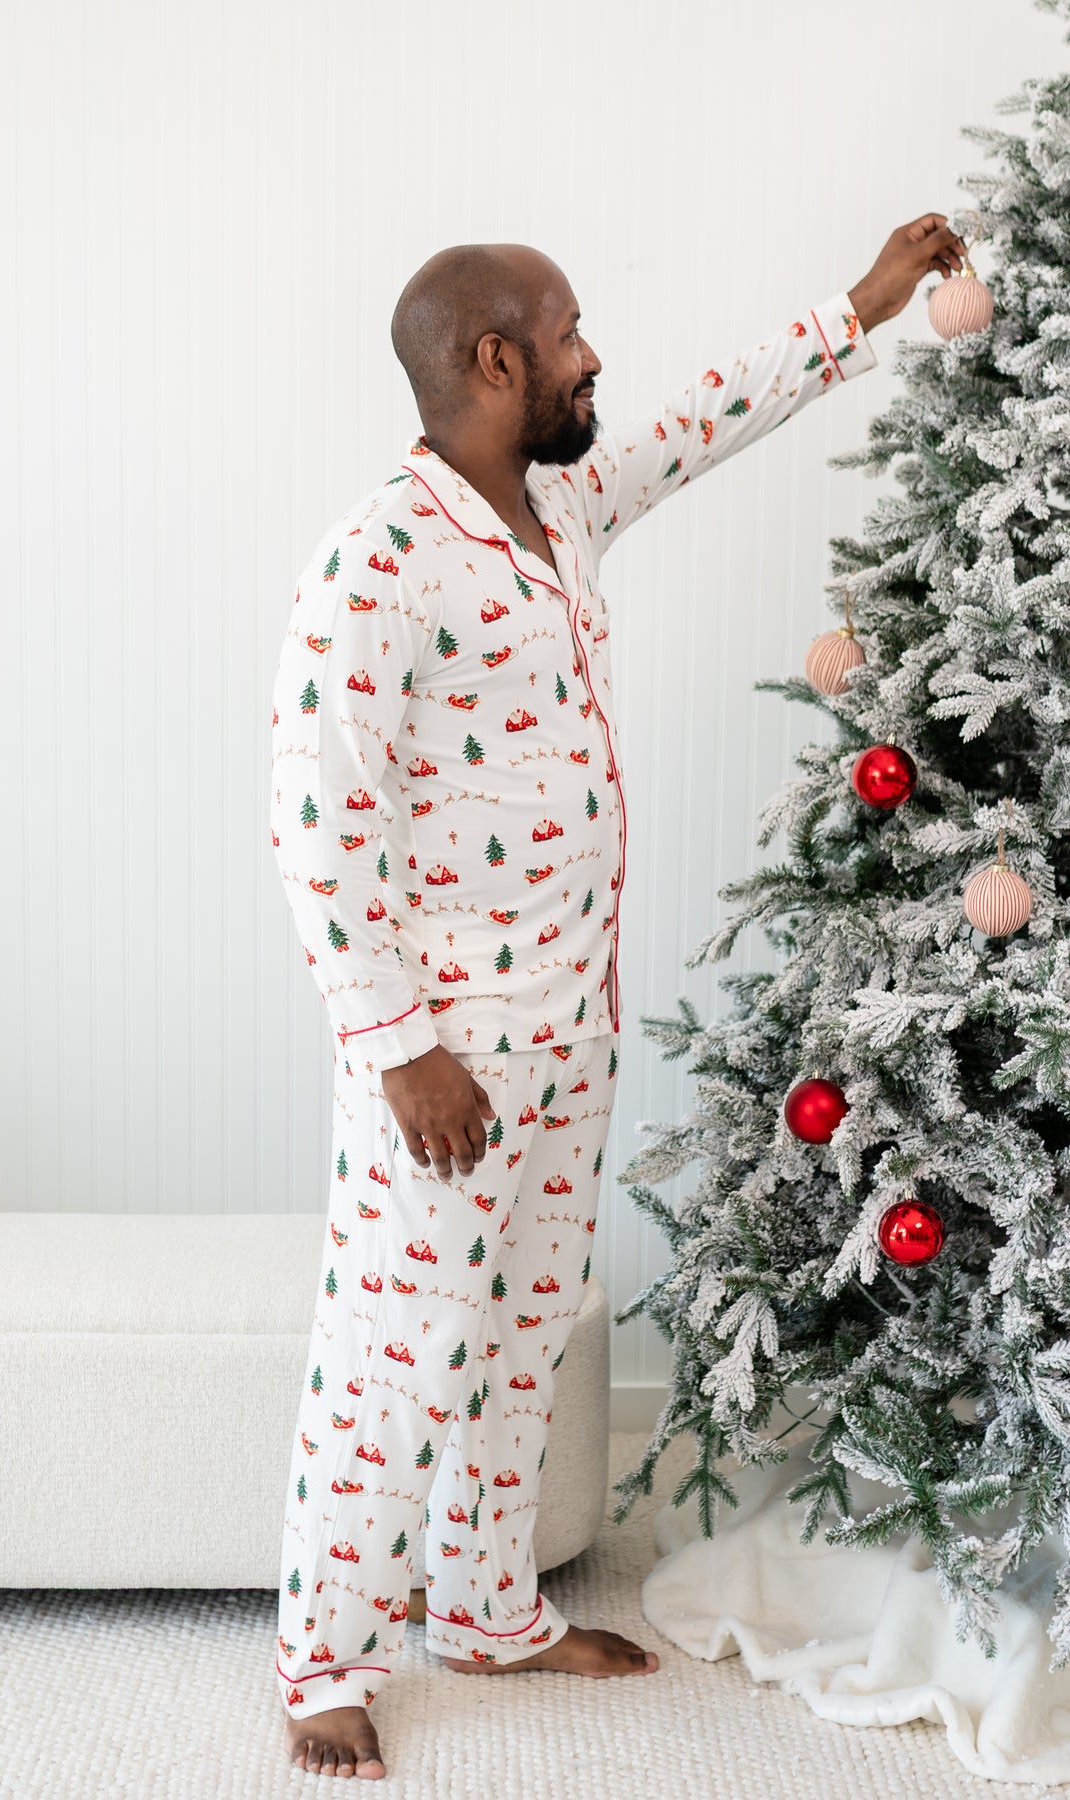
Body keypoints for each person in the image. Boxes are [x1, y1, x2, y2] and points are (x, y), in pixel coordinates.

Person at [268, 215, 965, 1779]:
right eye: (569, 333)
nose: (595, 359)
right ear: (493, 359)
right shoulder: (380, 557)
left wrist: (859, 311)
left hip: (567, 1029)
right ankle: (324, 1655)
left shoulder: (564, 501)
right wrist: (400, 1052)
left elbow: (708, 419)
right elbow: (319, 825)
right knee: (398, 1346)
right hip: (446, 1057)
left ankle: (489, 1609)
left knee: (523, 1336)